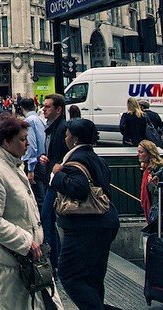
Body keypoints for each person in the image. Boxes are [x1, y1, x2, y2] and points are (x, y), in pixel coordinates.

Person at [0, 117, 64, 310]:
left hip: (26, 261)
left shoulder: (14, 164)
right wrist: (25, 241)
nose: (28, 143)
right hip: (6, 263)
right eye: (23, 139)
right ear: (7, 142)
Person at [50, 118, 119, 309]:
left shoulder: (75, 160)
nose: (65, 137)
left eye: (67, 134)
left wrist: (57, 174)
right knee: (93, 277)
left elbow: (78, 188)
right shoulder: (97, 158)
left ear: (75, 138)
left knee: (69, 274)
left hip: (84, 226)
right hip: (106, 223)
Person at [39, 93, 68, 274]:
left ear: (59, 109)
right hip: (52, 177)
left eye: (48, 106)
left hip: (57, 180)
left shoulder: (63, 128)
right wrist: (47, 159)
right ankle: (55, 258)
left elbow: (67, 155)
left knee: (47, 217)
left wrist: (59, 165)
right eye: (44, 106)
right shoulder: (52, 127)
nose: (44, 109)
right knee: (48, 218)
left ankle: (54, 260)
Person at [19, 97, 47, 211]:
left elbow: (31, 144)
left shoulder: (29, 121)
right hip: (42, 159)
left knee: (37, 197)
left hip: (34, 163)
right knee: (41, 195)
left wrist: (30, 169)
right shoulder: (39, 119)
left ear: (21, 108)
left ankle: (43, 223)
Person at [137, 139, 163, 223]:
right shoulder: (146, 169)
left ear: (150, 154)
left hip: (156, 209)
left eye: (141, 152)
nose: (138, 154)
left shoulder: (157, 170)